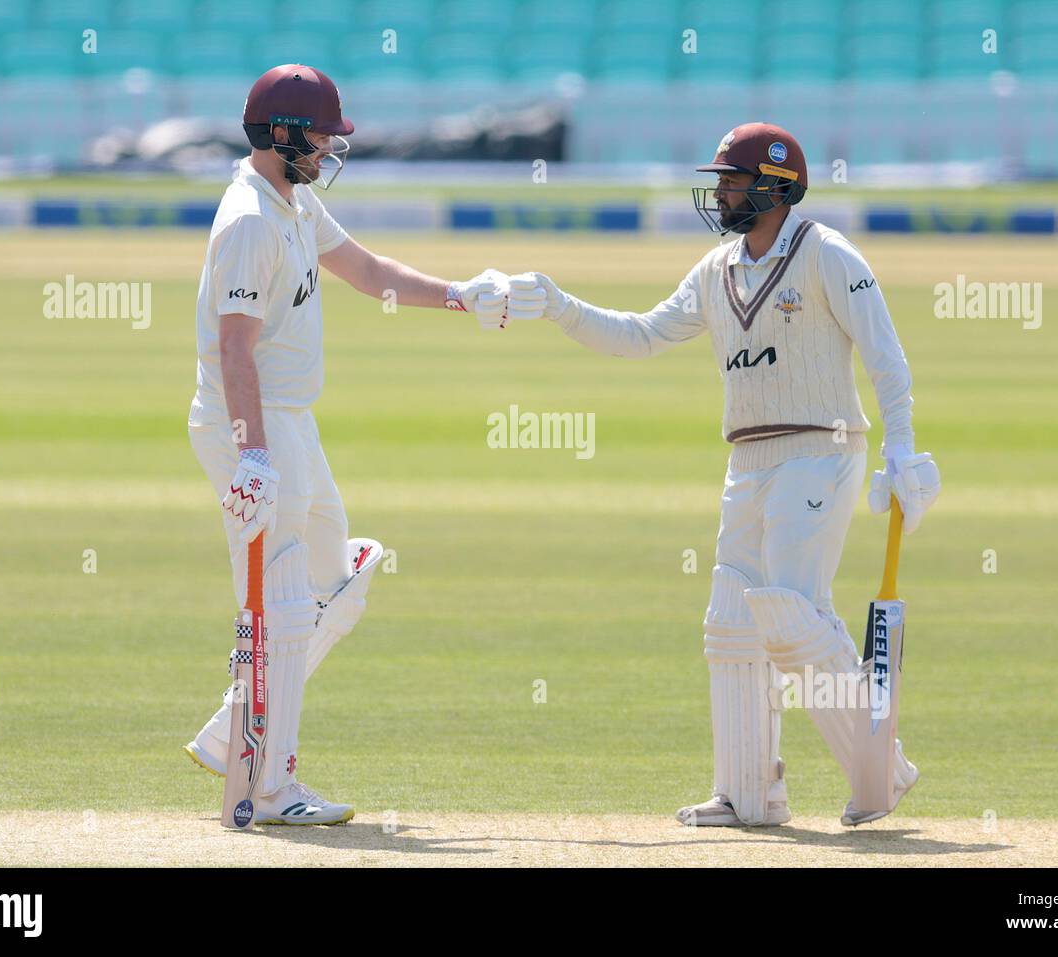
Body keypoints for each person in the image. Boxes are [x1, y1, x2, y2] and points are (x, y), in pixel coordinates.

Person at [502, 123, 941, 827]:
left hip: (822, 448)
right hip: (748, 458)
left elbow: (886, 357)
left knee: (792, 613)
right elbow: (640, 335)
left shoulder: (827, 254)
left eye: (732, 180)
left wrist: (904, 450)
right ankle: (749, 794)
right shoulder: (716, 270)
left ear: (775, 186)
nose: (720, 192)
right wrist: (558, 304)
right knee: (732, 622)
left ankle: (879, 770)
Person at [183, 64, 508, 824]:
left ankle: (231, 729)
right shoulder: (250, 220)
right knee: (287, 604)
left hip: (291, 421)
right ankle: (272, 787)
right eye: (323, 134)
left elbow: (368, 271)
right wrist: (253, 454)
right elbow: (234, 350)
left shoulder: (290, 205)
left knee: (343, 577)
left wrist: (459, 294)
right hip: (253, 422)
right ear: (285, 135)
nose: (332, 146)